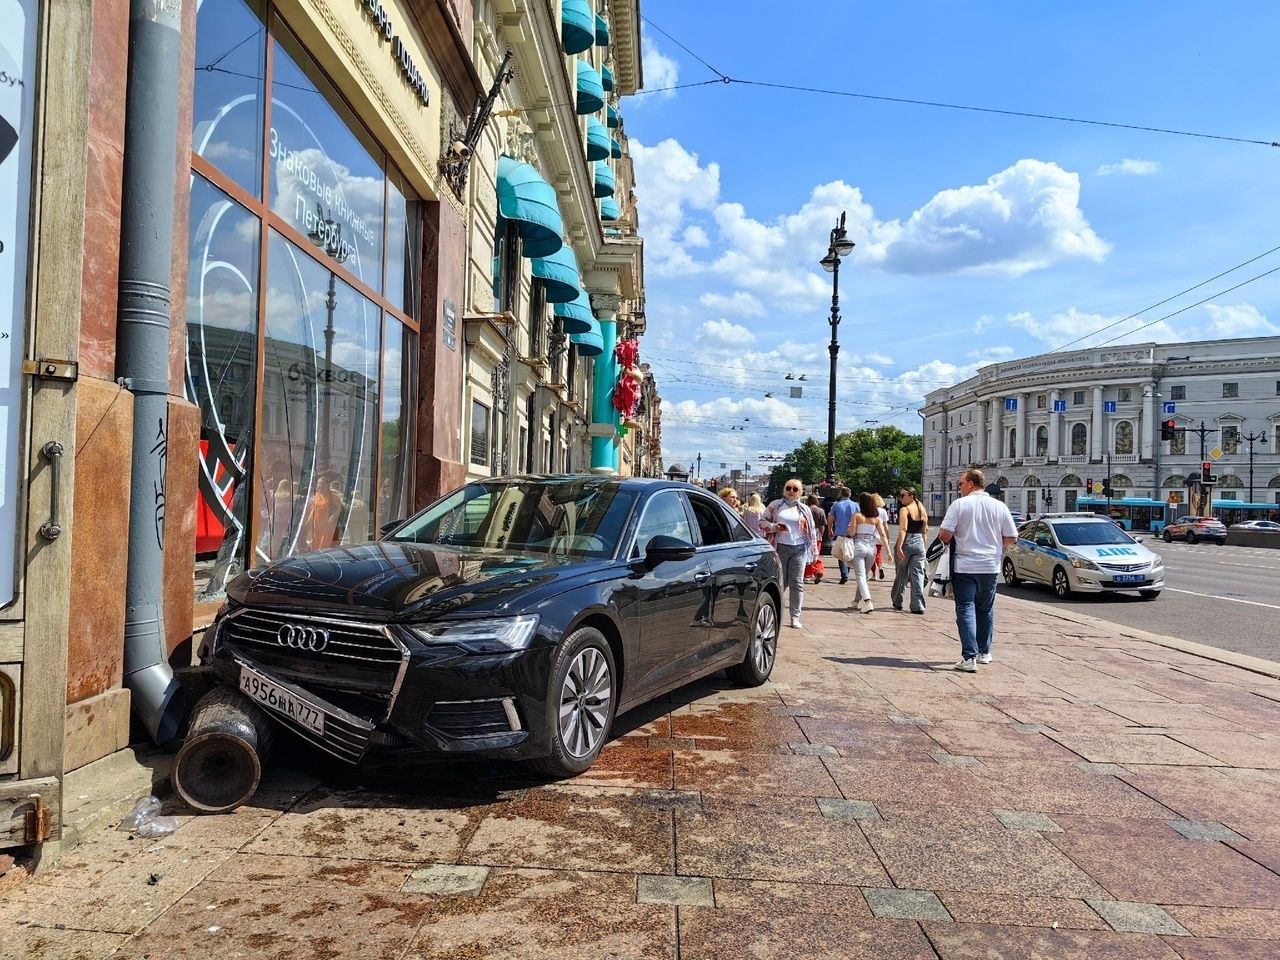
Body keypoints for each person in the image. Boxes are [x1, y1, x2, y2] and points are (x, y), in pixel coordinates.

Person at [938, 468, 1018, 672]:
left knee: (965, 608)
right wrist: (996, 549)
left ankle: (969, 657)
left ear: (971, 484)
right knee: (986, 608)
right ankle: (985, 652)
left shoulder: (959, 505)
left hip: (965, 565)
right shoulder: (1000, 507)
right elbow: (1011, 538)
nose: (959, 487)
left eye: (961, 484)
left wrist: (951, 537)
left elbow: (945, 535)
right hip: (990, 566)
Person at [762, 479, 820, 629]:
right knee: (781, 582)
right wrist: (774, 527)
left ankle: (795, 617)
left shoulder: (805, 509)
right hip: (779, 547)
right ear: (784, 489)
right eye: (788, 487)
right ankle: (776, 613)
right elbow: (761, 521)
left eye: (795, 489)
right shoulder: (776, 505)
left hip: (799, 548)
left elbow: (812, 531)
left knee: (797, 583)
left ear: (801, 492)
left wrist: (814, 553)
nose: (791, 491)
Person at [849, 492, 892, 614]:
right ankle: (856, 601)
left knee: (861, 576)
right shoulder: (876, 518)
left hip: (859, 547)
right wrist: (888, 552)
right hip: (872, 548)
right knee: (863, 576)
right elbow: (883, 535)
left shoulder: (857, 516)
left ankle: (868, 602)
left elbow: (851, 533)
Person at [891, 486, 929, 614]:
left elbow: (903, 529)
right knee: (918, 574)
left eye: (903, 495)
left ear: (911, 496)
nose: (900, 498)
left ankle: (898, 600)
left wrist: (900, 548)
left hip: (907, 541)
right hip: (919, 542)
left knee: (901, 573)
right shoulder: (921, 508)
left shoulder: (904, 510)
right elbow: (925, 529)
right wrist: (923, 544)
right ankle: (918, 605)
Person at [828, 486, 854, 584]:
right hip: (852, 532)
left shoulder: (836, 505)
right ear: (850, 494)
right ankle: (847, 571)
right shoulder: (855, 505)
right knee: (848, 551)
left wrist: (830, 529)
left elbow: (830, 519)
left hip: (840, 532)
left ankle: (844, 574)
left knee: (840, 554)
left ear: (841, 494)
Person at [803, 495, 828, 582]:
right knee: (815, 554)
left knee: (807, 555)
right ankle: (818, 570)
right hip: (817, 535)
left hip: (807, 535)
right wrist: (821, 534)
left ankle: (807, 574)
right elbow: (823, 525)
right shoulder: (821, 510)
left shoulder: (806, 510)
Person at [870, 493, 890, 580]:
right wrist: (887, 537)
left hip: (871, 535)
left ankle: (874, 575)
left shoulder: (870, 510)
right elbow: (886, 526)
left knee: (871, 556)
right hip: (880, 536)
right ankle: (880, 567)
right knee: (878, 553)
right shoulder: (883, 511)